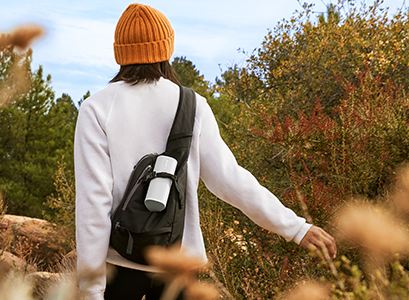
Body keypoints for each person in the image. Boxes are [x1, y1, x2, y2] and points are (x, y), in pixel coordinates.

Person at [74, 3, 337, 300]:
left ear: (119, 52)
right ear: (166, 48)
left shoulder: (96, 109)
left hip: (119, 262)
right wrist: (295, 228)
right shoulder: (192, 104)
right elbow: (230, 181)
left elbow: (93, 205)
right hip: (181, 264)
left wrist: (91, 291)